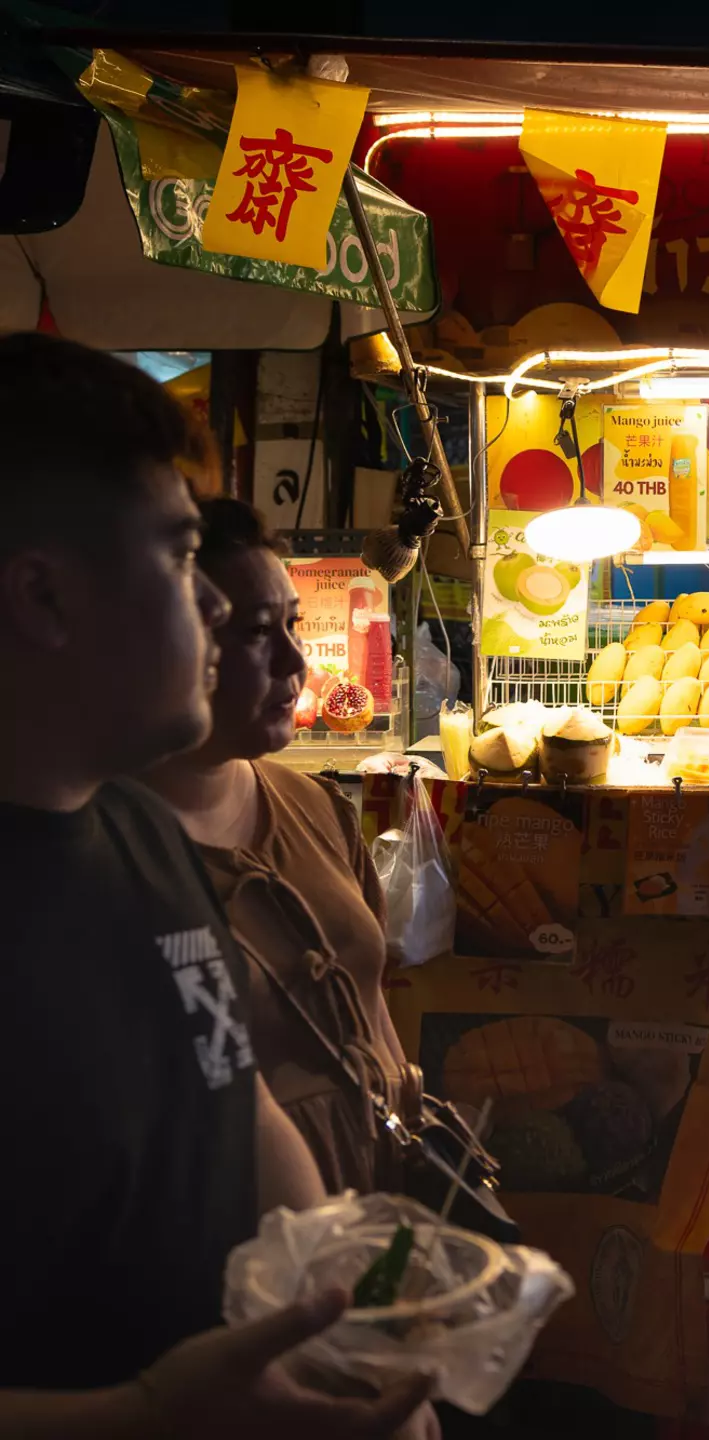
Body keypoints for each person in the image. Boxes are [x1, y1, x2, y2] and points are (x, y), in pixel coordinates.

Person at [0, 333, 433, 1438]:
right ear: (44, 595)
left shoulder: (140, 834)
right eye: (179, 556)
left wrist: (356, 1332)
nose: (213, 611)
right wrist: (143, 1416)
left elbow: (231, 1104)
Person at [146, 499, 413, 1196]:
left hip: (377, 1210)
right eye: (257, 632)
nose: (297, 660)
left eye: (293, 623)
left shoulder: (315, 806)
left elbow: (370, 998)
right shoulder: (116, 850)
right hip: (242, 1259)